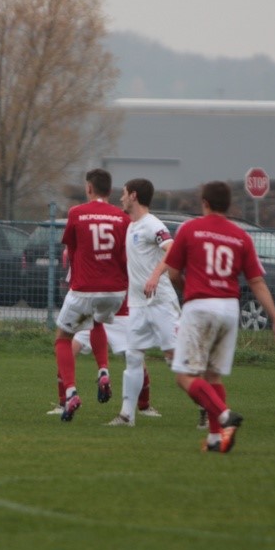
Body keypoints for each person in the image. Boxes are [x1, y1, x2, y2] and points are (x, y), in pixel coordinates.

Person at [164, 181, 275, 453]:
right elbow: (257, 282)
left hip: (200, 307)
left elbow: (172, 273)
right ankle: (215, 438)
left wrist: (189, 290)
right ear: (229, 205)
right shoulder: (241, 236)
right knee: (213, 377)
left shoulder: (190, 229)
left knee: (184, 376)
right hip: (230, 309)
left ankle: (224, 415)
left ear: (205, 203)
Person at [54, 168, 129, 422]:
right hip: (115, 291)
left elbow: (71, 250)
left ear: (89, 188)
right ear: (110, 190)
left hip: (85, 288)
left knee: (63, 339)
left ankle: (71, 393)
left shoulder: (76, 213)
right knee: (97, 322)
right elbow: (125, 255)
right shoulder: (122, 217)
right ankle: (103, 371)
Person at [105, 178, 179, 427]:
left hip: (161, 303)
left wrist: (155, 275)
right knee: (133, 356)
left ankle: (208, 408)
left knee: (175, 358)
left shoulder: (152, 224)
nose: (121, 198)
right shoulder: (132, 225)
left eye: (124, 193)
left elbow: (172, 248)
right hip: (137, 304)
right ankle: (127, 415)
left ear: (134, 196)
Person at [47, 299, 160, 419]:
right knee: (136, 362)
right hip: (115, 315)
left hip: (93, 316)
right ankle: (144, 406)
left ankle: (64, 402)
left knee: (67, 352)